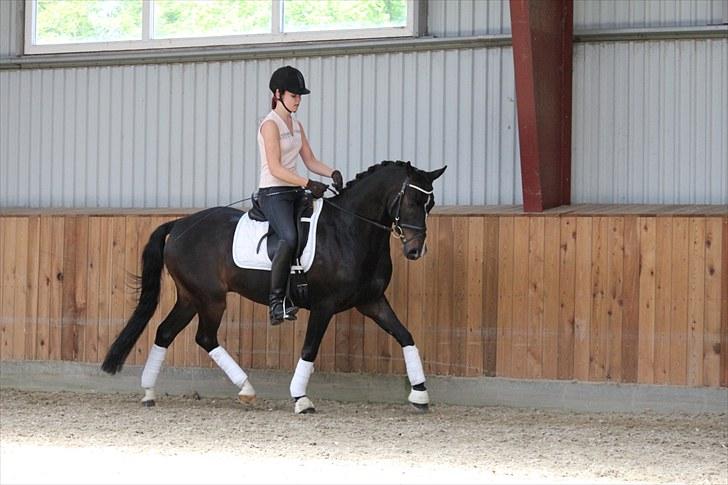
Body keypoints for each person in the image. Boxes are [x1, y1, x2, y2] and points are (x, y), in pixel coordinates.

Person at [257, 65, 344, 326]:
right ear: (278, 93)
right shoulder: (269, 125)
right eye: (294, 96)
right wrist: (308, 183)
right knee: (289, 236)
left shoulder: (296, 125)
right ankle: (276, 303)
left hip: (295, 190)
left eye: (300, 97)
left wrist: (332, 172)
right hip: (273, 193)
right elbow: (276, 168)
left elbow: (310, 160)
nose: (298, 101)